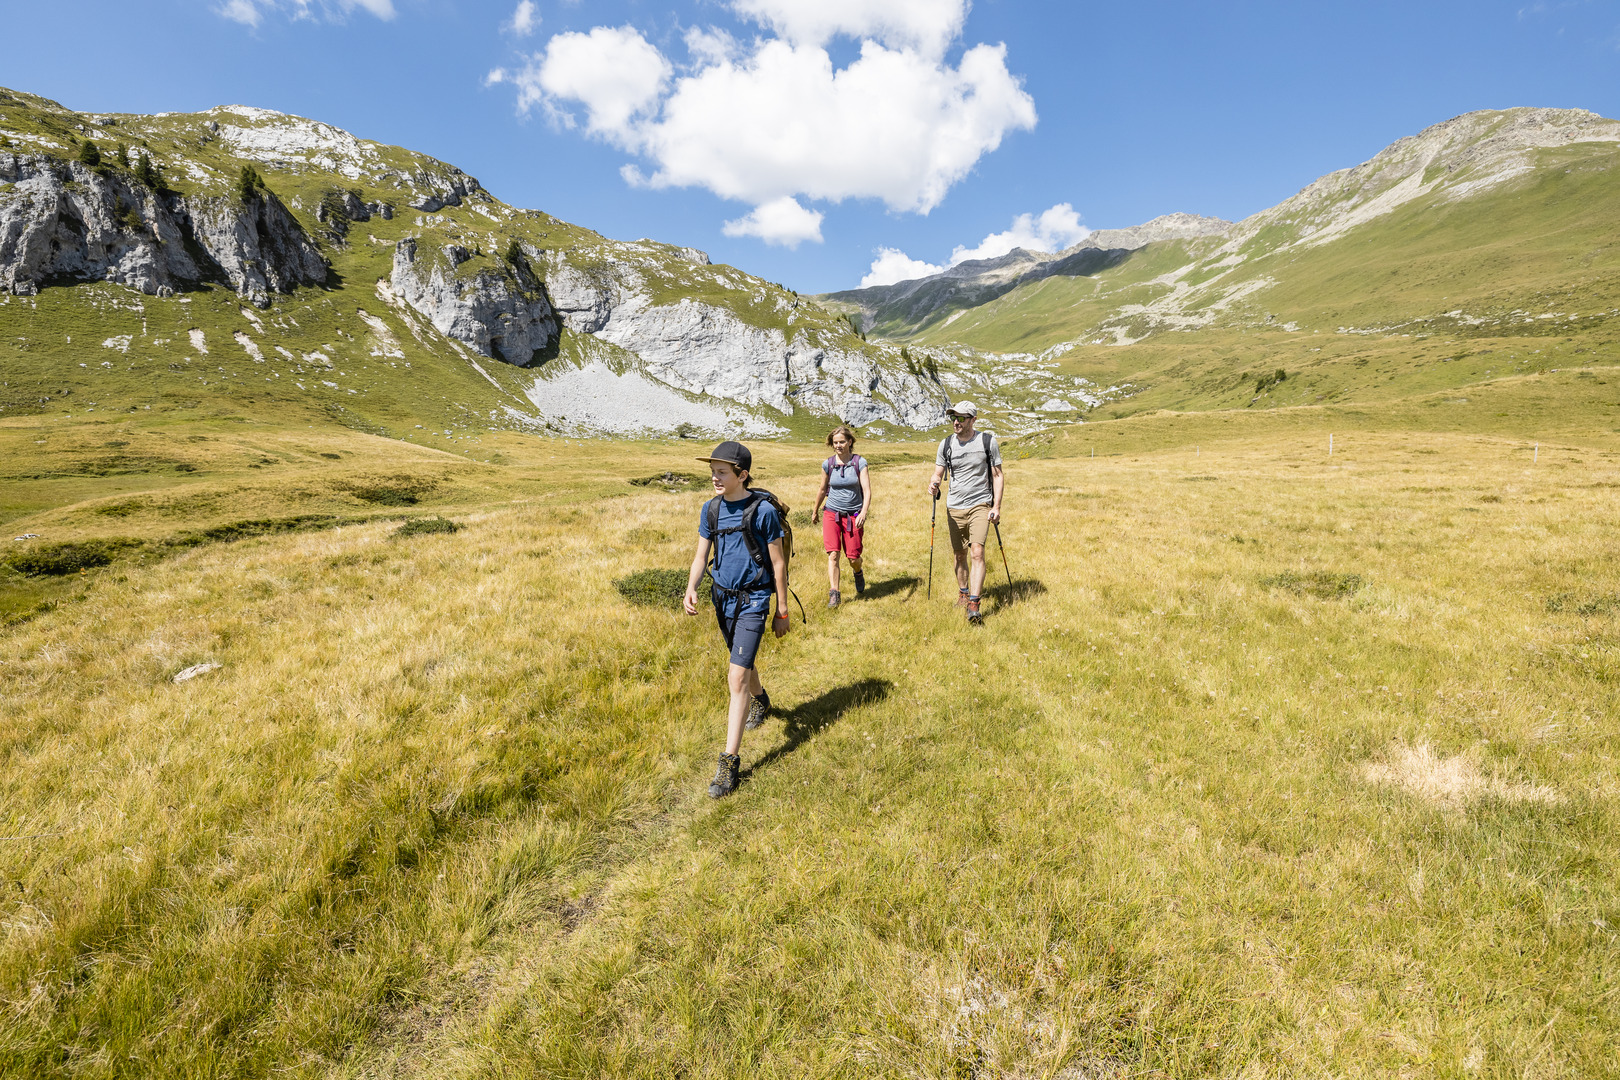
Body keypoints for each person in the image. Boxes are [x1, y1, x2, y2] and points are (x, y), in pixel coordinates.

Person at [683, 441, 791, 798]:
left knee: (736, 675)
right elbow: (702, 555)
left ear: (742, 475)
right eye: (713, 471)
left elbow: (778, 563)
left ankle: (729, 763)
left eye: (722, 472)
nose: (715, 477)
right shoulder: (710, 510)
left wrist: (782, 610)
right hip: (721, 599)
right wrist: (692, 586)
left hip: (755, 600)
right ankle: (760, 700)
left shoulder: (763, 512)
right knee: (741, 665)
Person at [926, 401, 1003, 625]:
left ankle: (974, 604)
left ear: (973, 420)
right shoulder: (946, 444)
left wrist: (996, 507)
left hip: (980, 504)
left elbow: (997, 476)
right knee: (959, 554)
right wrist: (934, 482)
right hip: (954, 506)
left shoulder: (987, 442)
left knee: (976, 552)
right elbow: (938, 470)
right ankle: (963, 593)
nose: (956, 422)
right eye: (953, 418)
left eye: (961, 418)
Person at [810, 424, 872, 608]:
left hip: (853, 515)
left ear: (850, 442)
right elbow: (822, 489)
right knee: (833, 554)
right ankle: (834, 593)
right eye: (835, 442)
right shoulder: (828, 464)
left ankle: (858, 572)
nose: (838, 445)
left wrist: (863, 512)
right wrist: (815, 511)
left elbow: (867, 491)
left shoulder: (859, 463)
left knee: (853, 558)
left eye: (842, 442)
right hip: (831, 513)